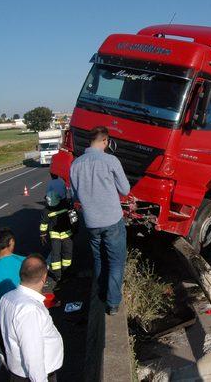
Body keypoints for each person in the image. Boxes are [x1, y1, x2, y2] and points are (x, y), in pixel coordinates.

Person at [69, 125, 130, 315]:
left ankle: (101, 293)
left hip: (91, 222)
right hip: (112, 220)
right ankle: (112, 303)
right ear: (105, 141)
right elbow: (125, 190)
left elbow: (76, 196)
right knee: (116, 261)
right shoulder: (111, 160)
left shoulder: (76, 164)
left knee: (99, 259)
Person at [0, 254, 63, 381]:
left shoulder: (6, 297)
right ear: (44, 278)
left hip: (18, 372)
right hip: (35, 376)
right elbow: (33, 356)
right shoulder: (30, 310)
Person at [40, 191, 74, 281]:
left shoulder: (65, 205)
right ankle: (58, 275)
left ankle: (66, 270)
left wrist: (75, 228)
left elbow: (73, 217)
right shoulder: (46, 211)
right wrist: (43, 234)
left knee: (67, 253)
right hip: (55, 235)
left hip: (66, 233)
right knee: (56, 255)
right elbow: (44, 224)